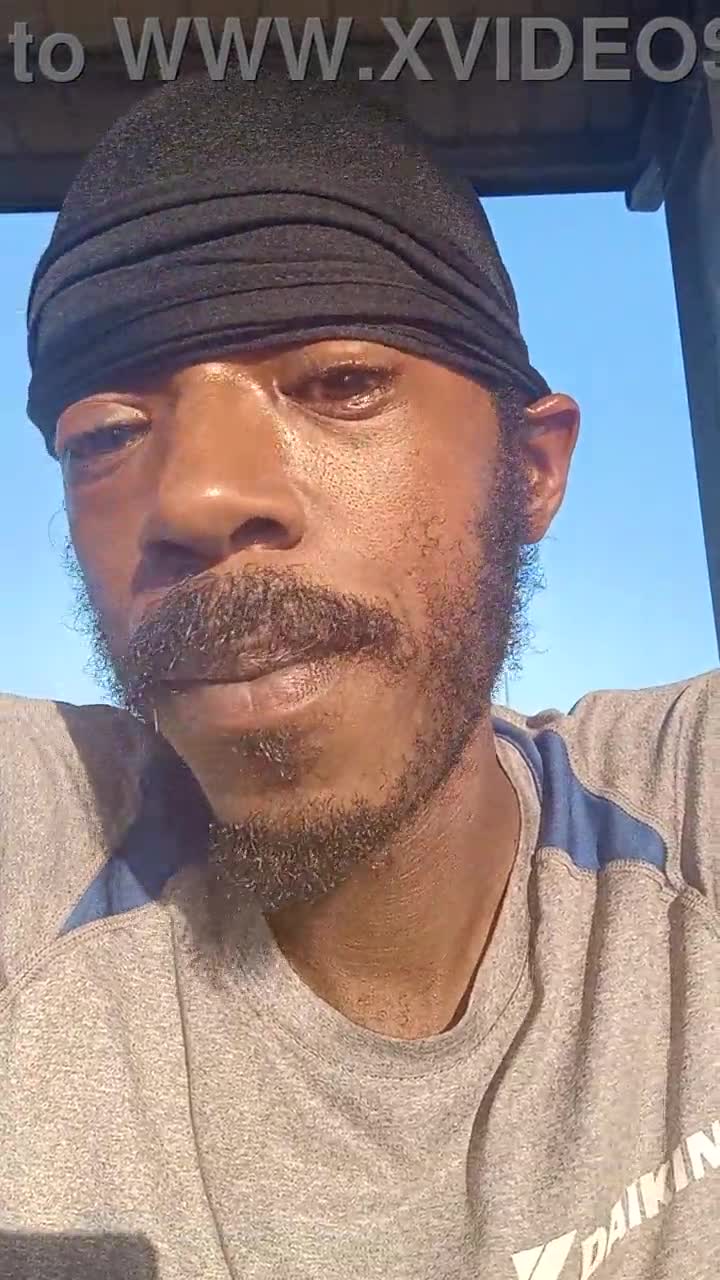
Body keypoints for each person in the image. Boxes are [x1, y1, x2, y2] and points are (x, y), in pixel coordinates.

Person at [1, 69, 717, 1280]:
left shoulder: (682, 817)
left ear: (531, 470)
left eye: (340, 383)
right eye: (105, 436)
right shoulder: (44, 856)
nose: (196, 497)